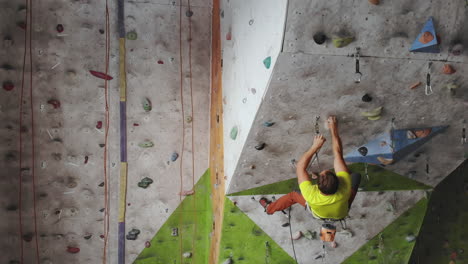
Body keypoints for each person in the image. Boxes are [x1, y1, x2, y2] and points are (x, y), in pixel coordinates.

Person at [260, 116, 361, 220]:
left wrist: (315, 146)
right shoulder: (345, 186)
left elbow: (300, 167)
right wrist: (333, 128)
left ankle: (269, 209)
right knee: (356, 176)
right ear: (339, 180)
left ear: (317, 186)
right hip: (340, 214)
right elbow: (338, 153)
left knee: (293, 195)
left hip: (318, 215)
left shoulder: (310, 194)